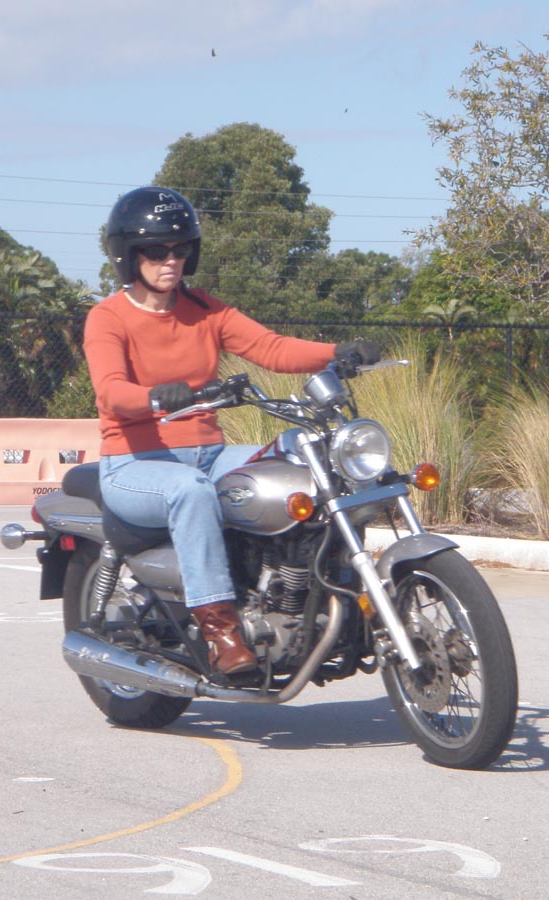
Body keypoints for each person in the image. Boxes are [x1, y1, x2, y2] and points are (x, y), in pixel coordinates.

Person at [84, 186, 380, 676]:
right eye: (156, 250)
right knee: (190, 490)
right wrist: (156, 396)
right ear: (129, 255)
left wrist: (336, 352)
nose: (171, 260)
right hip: (134, 464)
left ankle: (317, 586)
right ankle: (220, 630)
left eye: (181, 249)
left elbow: (272, 348)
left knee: (304, 454)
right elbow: (111, 392)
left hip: (210, 453)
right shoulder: (108, 318)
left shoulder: (205, 309)